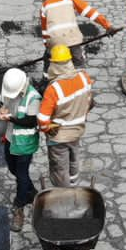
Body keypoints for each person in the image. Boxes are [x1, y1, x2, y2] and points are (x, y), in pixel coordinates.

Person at [37, 45, 94, 188]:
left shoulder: (53, 89)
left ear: (53, 64)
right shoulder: (83, 78)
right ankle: (74, 186)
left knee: (60, 169)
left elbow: (43, 120)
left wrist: (47, 128)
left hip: (58, 137)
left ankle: (64, 194)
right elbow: (89, 103)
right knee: (74, 161)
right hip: (77, 131)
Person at [0, 68, 41, 231]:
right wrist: (0, 111)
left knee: (21, 175)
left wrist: (11, 118)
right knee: (12, 168)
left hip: (25, 143)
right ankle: (31, 191)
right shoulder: (7, 88)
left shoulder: (33, 97)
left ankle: (19, 206)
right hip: (10, 138)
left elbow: (31, 121)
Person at [38, 0, 113, 69]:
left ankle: (47, 80)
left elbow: (45, 31)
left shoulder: (44, 6)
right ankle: (80, 79)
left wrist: (47, 46)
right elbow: (91, 13)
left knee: (50, 63)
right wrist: (107, 26)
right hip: (73, 40)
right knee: (78, 63)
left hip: (56, 42)